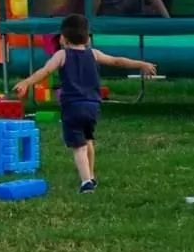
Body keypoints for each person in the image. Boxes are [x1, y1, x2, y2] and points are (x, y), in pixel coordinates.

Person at [13, 14, 157, 193]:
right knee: (88, 140)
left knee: (78, 146)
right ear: (88, 39)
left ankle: (86, 182)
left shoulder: (62, 54)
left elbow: (45, 70)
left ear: (63, 39)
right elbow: (116, 61)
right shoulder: (94, 54)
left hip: (72, 107)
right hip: (92, 106)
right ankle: (92, 175)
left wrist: (27, 82)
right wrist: (140, 64)